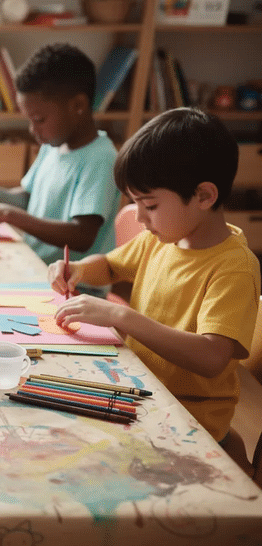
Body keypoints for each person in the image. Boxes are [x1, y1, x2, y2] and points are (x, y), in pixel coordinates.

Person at [48, 107, 260, 465]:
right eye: (135, 204)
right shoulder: (162, 237)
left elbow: (210, 358)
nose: (140, 218)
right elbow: (112, 266)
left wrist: (120, 316)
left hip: (189, 423)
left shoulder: (233, 267)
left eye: (150, 205)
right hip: (145, 394)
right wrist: (80, 270)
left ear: (204, 196)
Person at [0, 43, 119, 289]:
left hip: (73, 291)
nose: (32, 130)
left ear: (78, 105)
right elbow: (29, 197)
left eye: (39, 120)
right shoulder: (54, 145)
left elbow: (81, 236)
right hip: (35, 270)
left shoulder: (101, 159)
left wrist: (7, 214)